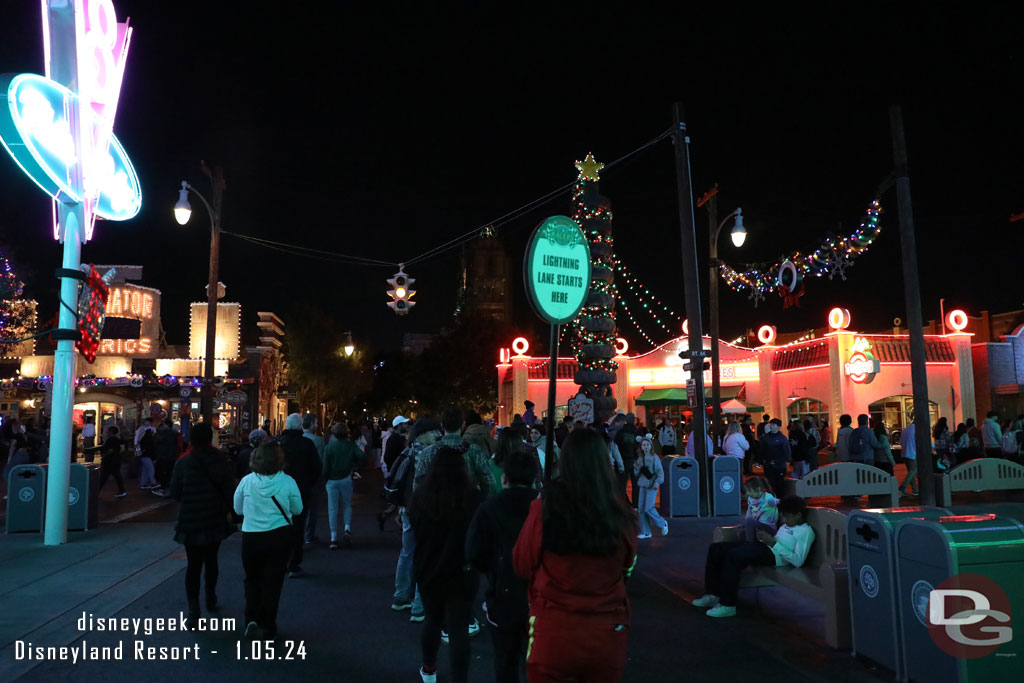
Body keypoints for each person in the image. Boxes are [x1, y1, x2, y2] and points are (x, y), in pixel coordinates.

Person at [514, 428, 637, 682]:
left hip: (553, 631)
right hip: (606, 632)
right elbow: (628, 566)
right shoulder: (620, 513)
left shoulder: (545, 508)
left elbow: (522, 563)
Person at [410, 446, 483, 683]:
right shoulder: (472, 498)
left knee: (432, 619)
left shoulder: (421, 497)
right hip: (462, 569)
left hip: (429, 566)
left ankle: (429, 669)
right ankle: (459, 678)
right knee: (459, 628)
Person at [466, 448, 538, 683]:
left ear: (504, 477)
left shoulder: (490, 508)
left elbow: (474, 552)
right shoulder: (545, 508)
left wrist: (492, 567)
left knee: (505, 661)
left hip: (502, 593)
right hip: (539, 596)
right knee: (535, 660)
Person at [692, 495, 814, 617]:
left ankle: (728, 604)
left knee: (734, 556)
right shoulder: (787, 525)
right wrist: (765, 539)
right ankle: (713, 594)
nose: (783, 519)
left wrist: (773, 543)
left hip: (774, 557)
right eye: (782, 515)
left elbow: (798, 560)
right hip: (765, 548)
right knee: (717, 548)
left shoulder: (805, 532)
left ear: (798, 515)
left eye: (787, 516)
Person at [233, 439, 302, 639]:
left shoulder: (247, 481)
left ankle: (251, 618)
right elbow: (298, 509)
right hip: (279, 535)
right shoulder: (288, 481)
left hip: (252, 536)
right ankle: (268, 624)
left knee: (252, 578)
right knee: (273, 582)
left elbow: (237, 509)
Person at [168, 423, 235, 628]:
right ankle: (210, 597)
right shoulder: (220, 460)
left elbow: (175, 493)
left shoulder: (183, 463)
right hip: (213, 517)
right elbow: (228, 489)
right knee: (212, 560)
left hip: (190, 518)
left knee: (193, 565)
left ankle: (193, 608)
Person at [393, 418, 440, 622]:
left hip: (406, 508)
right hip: (422, 510)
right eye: (433, 432)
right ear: (422, 434)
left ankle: (401, 596)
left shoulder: (407, 451)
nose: (436, 436)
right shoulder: (427, 453)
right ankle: (419, 607)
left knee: (407, 553)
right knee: (424, 555)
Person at [414, 407, 496, 495]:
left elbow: (418, 484)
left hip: (437, 505)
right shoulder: (474, 451)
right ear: (463, 425)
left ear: (442, 425)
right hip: (467, 503)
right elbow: (489, 481)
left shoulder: (427, 453)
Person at [278, 413, 322, 577]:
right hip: (301, 490)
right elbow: (316, 467)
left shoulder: (279, 444)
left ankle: (281, 560)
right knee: (297, 526)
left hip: (279, 490)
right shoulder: (307, 444)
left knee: (280, 524)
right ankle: (294, 562)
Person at [323, 422, 366, 549]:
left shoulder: (329, 448)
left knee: (332, 508)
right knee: (347, 504)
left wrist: (324, 479)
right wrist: (355, 469)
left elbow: (325, 467)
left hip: (332, 480)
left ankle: (333, 537)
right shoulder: (350, 445)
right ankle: (347, 528)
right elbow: (363, 456)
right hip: (346, 478)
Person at [634, 434, 667, 539]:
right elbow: (636, 473)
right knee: (641, 509)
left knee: (649, 508)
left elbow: (660, 472)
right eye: (644, 445)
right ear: (641, 447)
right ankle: (646, 532)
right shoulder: (640, 458)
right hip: (642, 485)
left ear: (651, 446)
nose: (646, 447)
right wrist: (637, 467)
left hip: (652, 485)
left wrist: (657, 483)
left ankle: (662, 523)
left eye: (648, 444)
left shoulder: (654, 458)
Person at [301, 414, 326, 545]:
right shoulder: (318, 440)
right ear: (311, 425)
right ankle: (309, 535)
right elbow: (321, 461)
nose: (317, 425)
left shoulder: (298, 439)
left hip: (299, 478)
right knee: (312, 509)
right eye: (315, 423)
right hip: (313, 479)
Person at [760, 418, 791, 495]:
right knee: (770, 484)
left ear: (778, 426)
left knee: (779, 485)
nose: (771, 426)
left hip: (779, 465)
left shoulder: (782, 438)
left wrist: (784, 460)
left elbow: (786, 451)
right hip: (769, 464)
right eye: (771, 424)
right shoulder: (766, 438)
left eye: (773, 424)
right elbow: (762, 450)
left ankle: (780, 500)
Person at [96, 426, 127, 498]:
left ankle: (95, 492)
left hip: (110, 461)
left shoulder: (111, 440)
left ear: (111, 432)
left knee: (104, 477)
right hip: (115, 461)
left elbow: (110, 450)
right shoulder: (116, 440)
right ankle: (122, 490)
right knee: (115, 475)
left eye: (108, 431)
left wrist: (104, 456)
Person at [899, 420, 919, 496]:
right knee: (913, 471)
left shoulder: (905, 430)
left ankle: (915, 489)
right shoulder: (917, 430)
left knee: (911, 472)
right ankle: (902, 487)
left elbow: (900, 442)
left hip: (904, 453)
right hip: (912, 453)